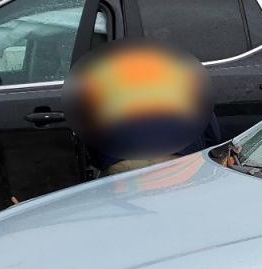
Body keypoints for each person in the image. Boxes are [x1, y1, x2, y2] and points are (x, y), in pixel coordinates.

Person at [64, 40, 220, 176]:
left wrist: (103, 162)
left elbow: (89, 129)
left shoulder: (98, 80)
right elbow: (210, 132)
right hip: (176, 159)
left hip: (125, 162)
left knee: (133, 206)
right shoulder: (184, 76)